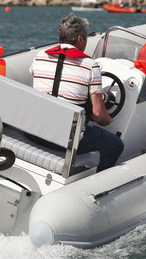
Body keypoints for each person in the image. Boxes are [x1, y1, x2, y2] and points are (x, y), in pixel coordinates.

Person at [29, 13, 124, 172]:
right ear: (80, 39)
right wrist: (108, 121)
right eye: (86, 38)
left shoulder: (40, 56)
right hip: (65, 140)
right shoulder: (90, 66)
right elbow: (99, 115)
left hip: (33, 132)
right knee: (115, 145)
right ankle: (98, 188)